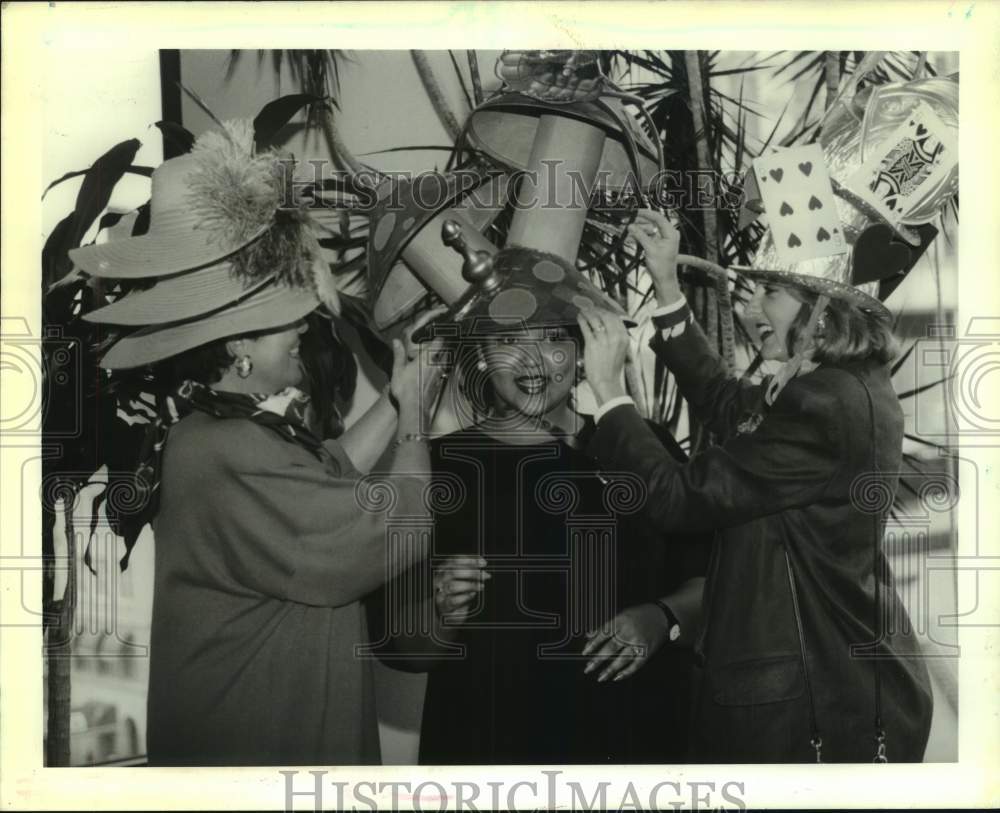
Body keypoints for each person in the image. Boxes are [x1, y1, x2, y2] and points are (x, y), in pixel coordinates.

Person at [71, 124, 447, 766]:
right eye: (283, 315)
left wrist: (392, 397)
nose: (304, 326)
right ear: (238, 341)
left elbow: (324, 469)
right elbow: (399, 524)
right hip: (259, 731)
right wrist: (415, 420)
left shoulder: (218, 428)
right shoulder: (231, 448)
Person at [575, 208, 934, 763]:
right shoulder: (837, 384)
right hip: (831, 690)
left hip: (800, 712)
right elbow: (728, 406)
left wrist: (609, 393)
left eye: (769, 292)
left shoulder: (824, 403)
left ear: (822, 309)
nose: (748, 307)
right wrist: (667, 283)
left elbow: (677, 498)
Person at [382, 243, 708, 765]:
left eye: (554, 339)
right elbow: (406, 650)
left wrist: (660, 618)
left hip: (630, 749)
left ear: (582, 352)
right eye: (509, 340)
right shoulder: (436, 467)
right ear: (484, 356)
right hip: (489, 754)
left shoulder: (638, 446)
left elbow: (712, 582)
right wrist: (441, 613)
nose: (532, 360)